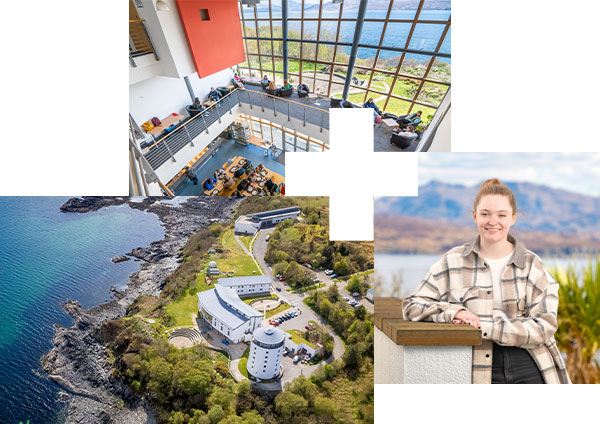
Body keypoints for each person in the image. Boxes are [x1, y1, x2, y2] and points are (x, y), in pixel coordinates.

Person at [402, 178, 570, 384]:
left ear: (513, 218)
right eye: (485, 214)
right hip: (478, 369)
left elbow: (545, 326)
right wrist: (455, 312)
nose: (493, 221)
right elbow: (412, 305)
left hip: (532, 364)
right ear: (475, 216)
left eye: (501, 215)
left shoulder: (533, 265)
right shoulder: (452, 261)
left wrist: (484, 327)